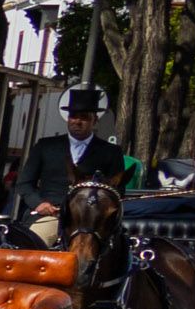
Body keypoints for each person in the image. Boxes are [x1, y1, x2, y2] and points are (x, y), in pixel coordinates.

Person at [17, 86, 133, 237]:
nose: (77, 121)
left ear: (95, 120)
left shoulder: (111, 152)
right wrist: (39, 204)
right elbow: (24, 183)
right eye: (73, 116)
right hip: (49, 216)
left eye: (84, 117)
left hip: (91, 220)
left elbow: (117, 191)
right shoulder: (45, 146)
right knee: (40, 239)